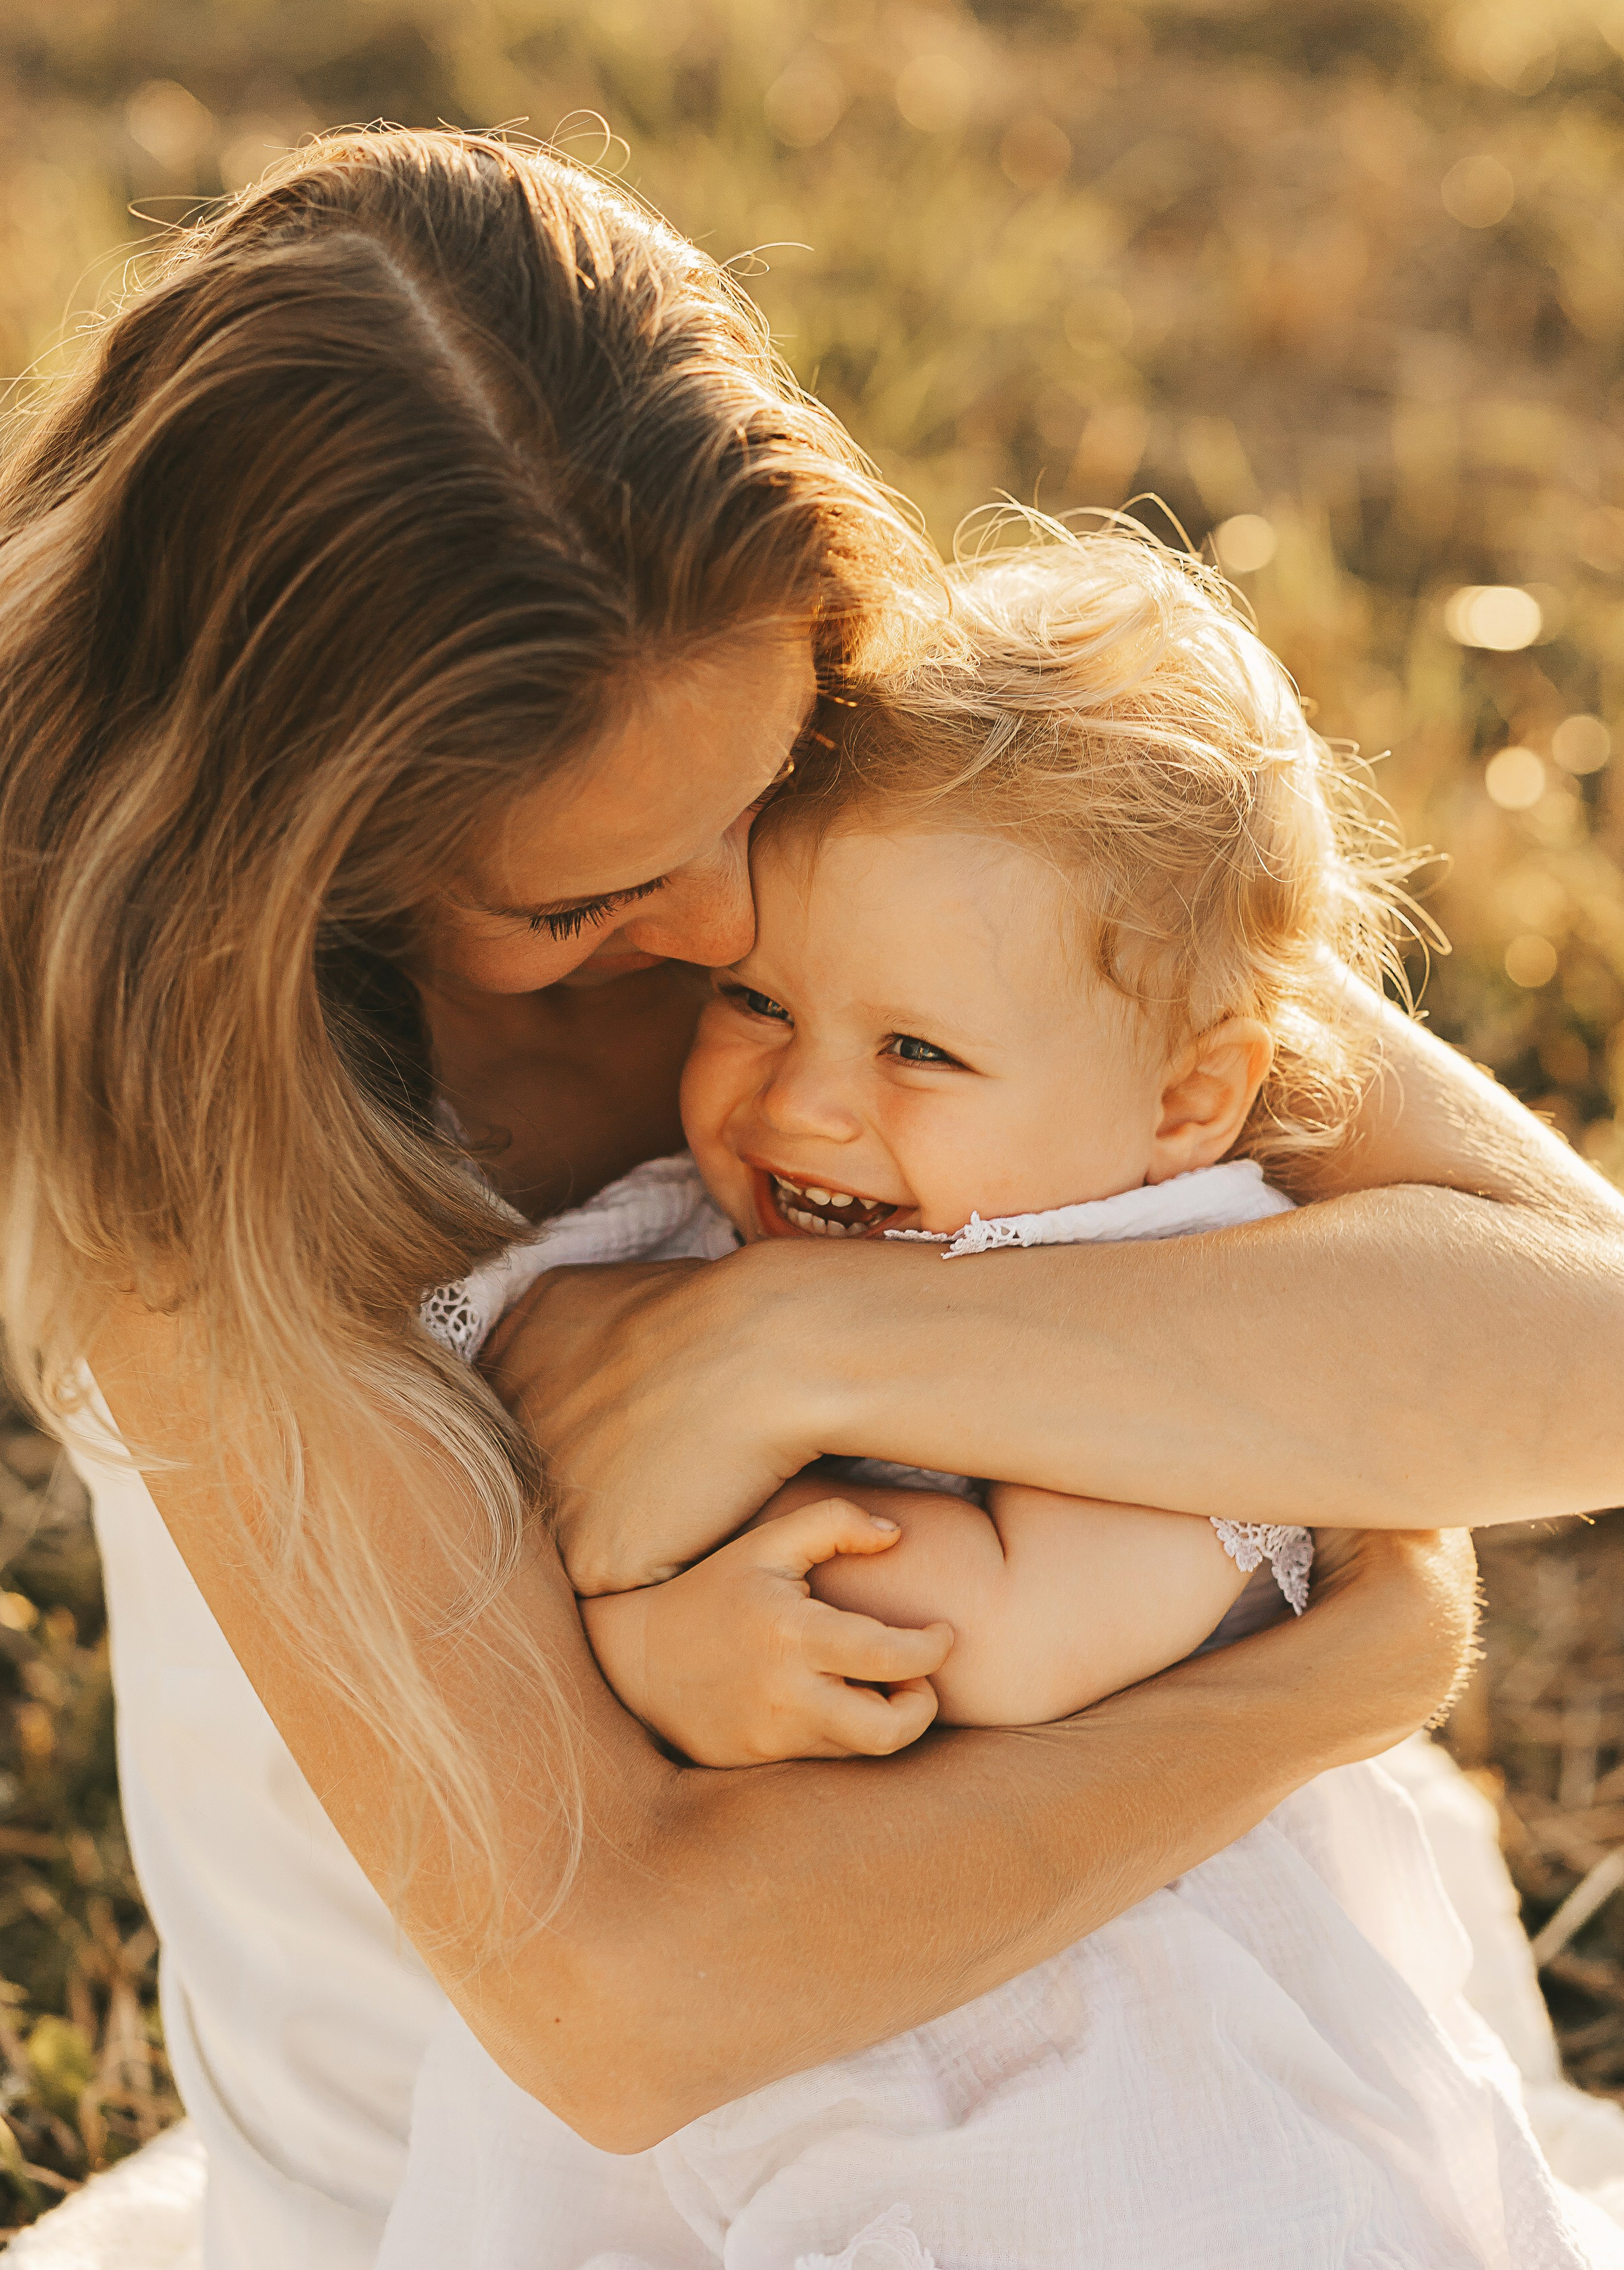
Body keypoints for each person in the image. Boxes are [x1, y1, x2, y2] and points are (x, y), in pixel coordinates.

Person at [0, 127, 1608, 2269]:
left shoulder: (889, 757)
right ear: (306, 863)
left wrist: (792, 1341)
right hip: (512, 2181)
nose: (738, 903)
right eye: (585, 897)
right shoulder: (184, 1149)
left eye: (762, 787)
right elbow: (631, 2000)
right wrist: (1325, 1682)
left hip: (1149, 2030)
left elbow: (1582, 1356)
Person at [370, 523, 1618, 2267]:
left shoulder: (1198, 1281)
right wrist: (635, 1606)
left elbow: (1018, 1640)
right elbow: (474, 1482)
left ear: (1188, 1101)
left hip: (1115, 2043)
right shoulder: (685, 1221)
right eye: (757, 1002)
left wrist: (673, 1638)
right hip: (767, 2029)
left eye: (918, 1051)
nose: (804, 1104)